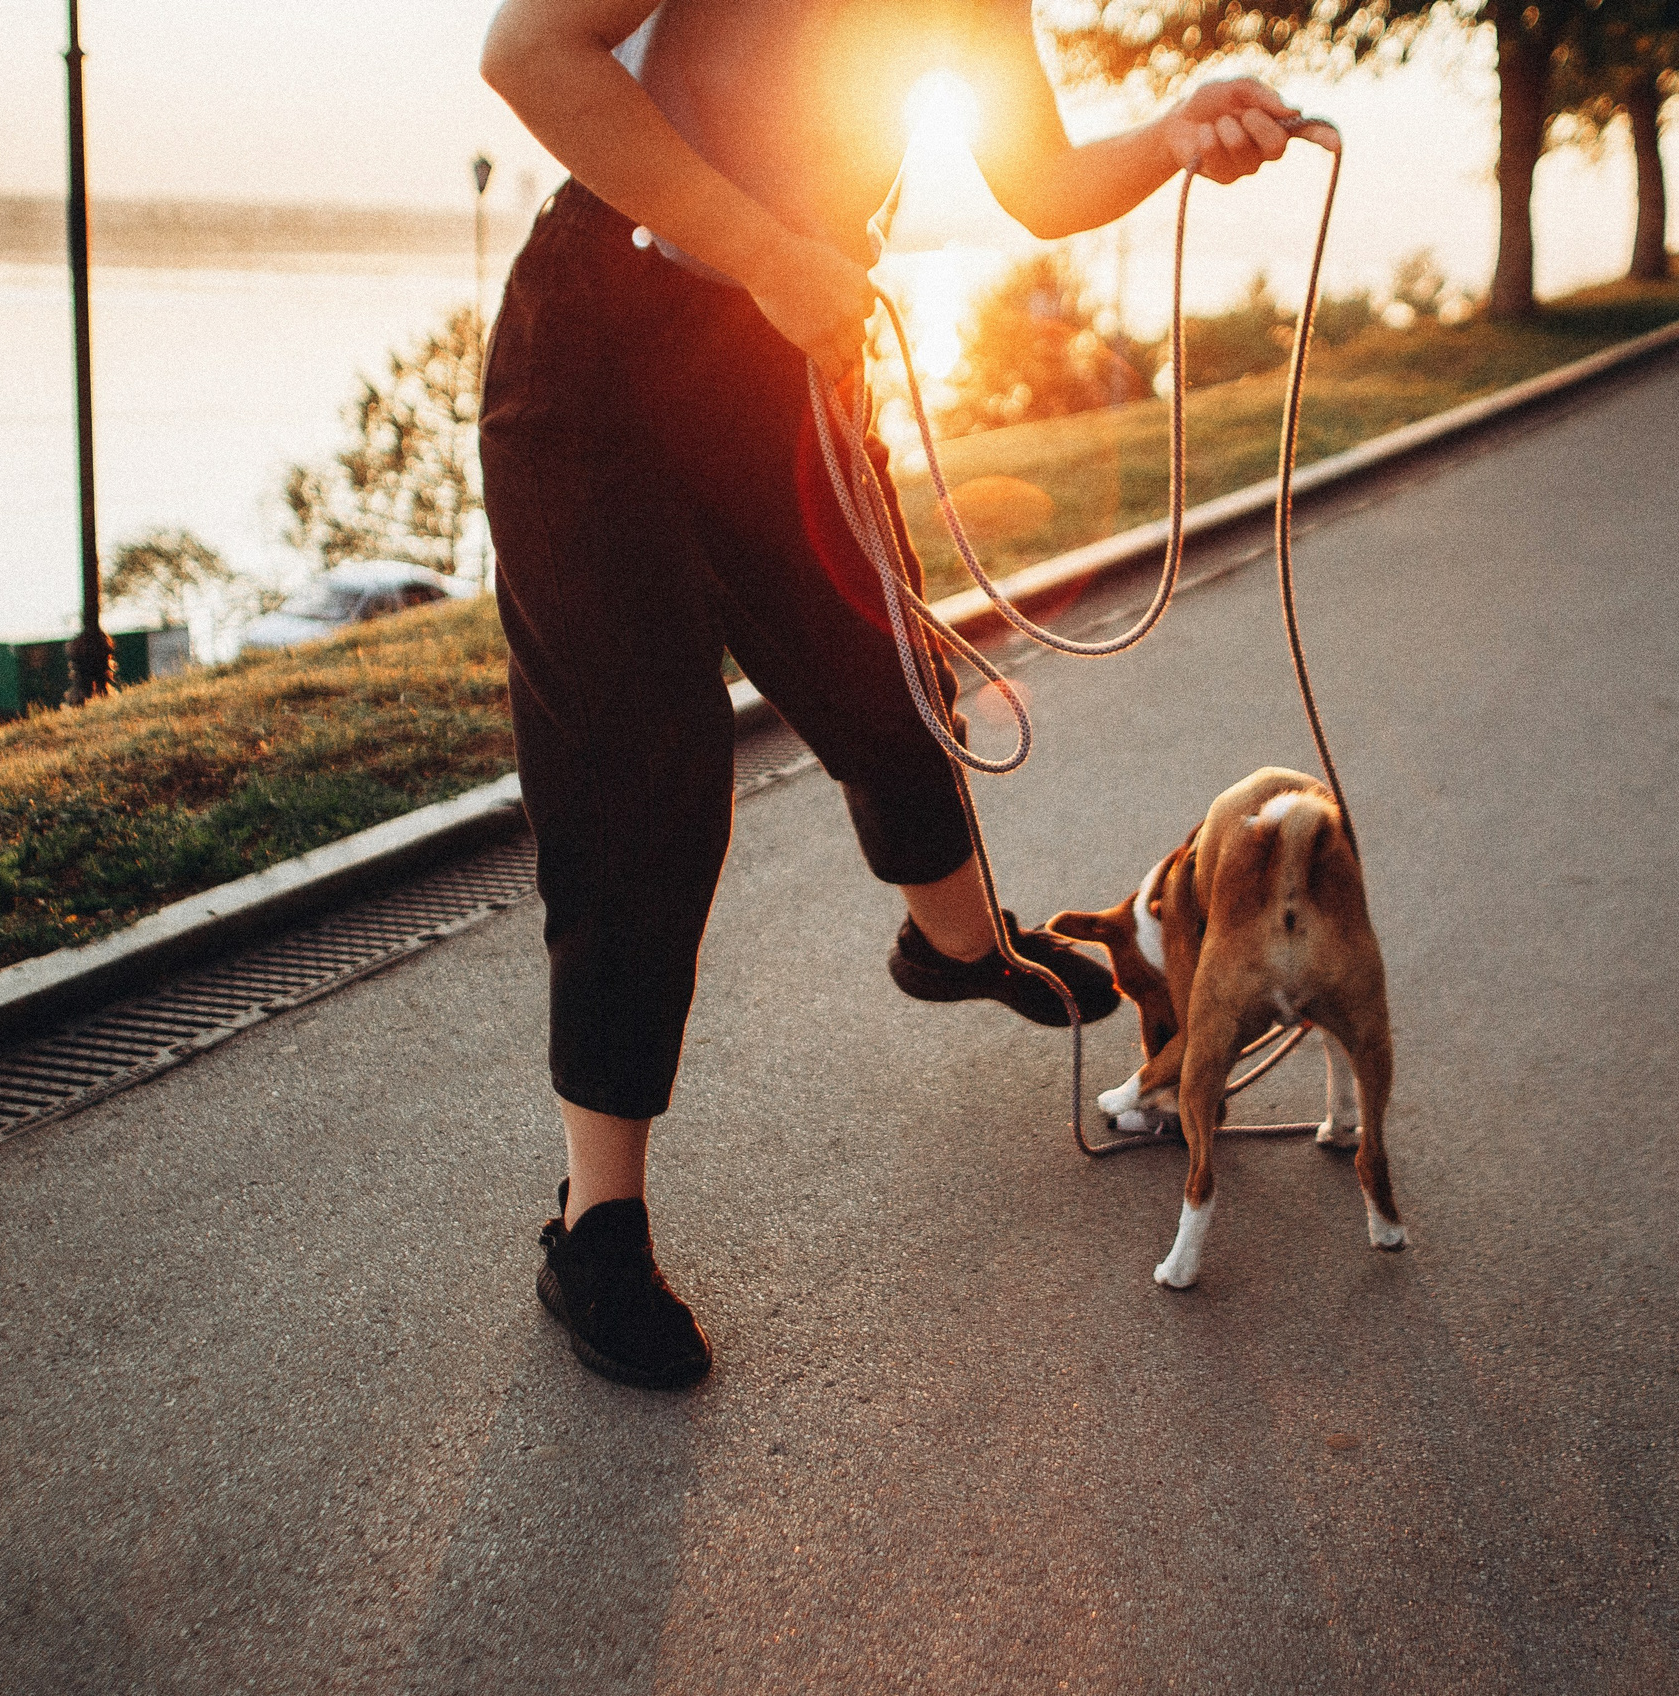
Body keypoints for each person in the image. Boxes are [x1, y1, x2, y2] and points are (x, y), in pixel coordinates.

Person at [478, 0, 1306, 1390]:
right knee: (646, 772)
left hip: (786, 361)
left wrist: (1173, 134)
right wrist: (763, 252)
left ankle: (961, 948)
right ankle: (595, 1226)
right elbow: (527, 53)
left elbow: (1034, 180)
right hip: (598, 353)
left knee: (893, 681)